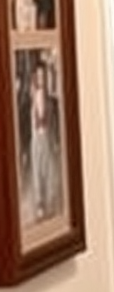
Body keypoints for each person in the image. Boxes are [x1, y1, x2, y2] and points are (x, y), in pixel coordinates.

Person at [29, 58, 56, 221]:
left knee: (48, 169)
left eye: (43, 76)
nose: (41, 79)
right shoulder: (32, 97)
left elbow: (51, 119)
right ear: (35, 77)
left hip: (46, 137)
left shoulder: (49, 98)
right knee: (37, 170)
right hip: (36, 138)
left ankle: (49, 203)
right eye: (38, 76)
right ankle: (40, 204)